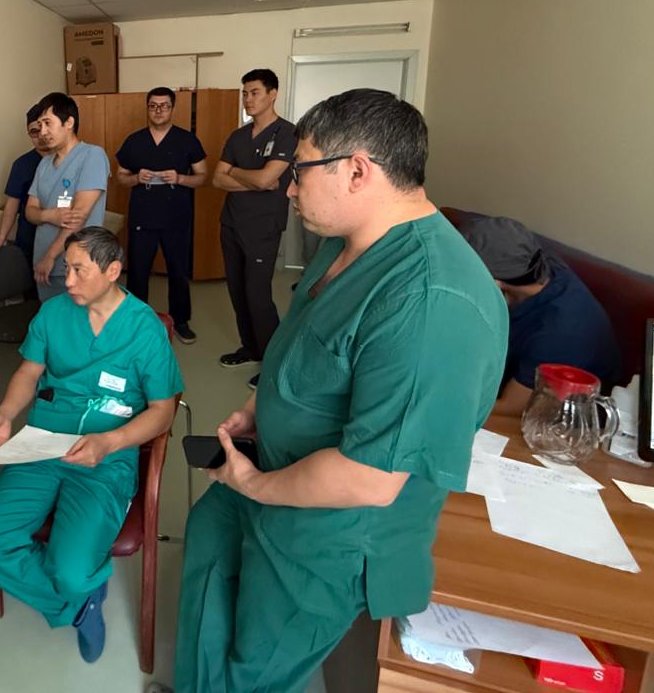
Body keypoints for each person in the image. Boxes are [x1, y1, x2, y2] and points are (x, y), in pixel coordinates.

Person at [172, 89, 507, 693]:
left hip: (327, 532)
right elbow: (308, 344)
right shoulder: (343, 243)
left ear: (357, 171)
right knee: (209, 549)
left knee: (259, 658)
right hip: (267, 466)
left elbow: (369, 479)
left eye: (300, 170)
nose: (288, 187)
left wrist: (256, 485)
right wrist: (259, 406)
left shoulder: (430, 301)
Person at [0, 227, 182, 663]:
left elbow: (163, 410)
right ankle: (79, 606)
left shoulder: (144, 329)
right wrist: (6, 414)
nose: (66, 281)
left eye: (79, 271)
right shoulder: (53, 315)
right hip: (43, 443)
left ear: (112, 271)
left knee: (70, 568)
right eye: (66, 269)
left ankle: (76, 587)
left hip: (106, 456)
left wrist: (111, 441)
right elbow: (29, 372)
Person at [460, 215, 620, 413]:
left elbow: (510, 408)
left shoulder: (561, 332)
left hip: (551, 414)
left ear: (495, 283)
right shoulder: (536, 264)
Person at [212, 69, 297, 382]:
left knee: (257, 295)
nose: (248, 99)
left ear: (272, 94)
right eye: (245, 93)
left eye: (254, 92)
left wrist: (237, 172)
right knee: (237, 291)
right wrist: (255, 179)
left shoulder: (287, 133)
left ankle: (273, 362)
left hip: (263, 227)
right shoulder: (238, 136)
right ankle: (251, 348)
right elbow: (217, 178)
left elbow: (266, 179)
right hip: (232, 223)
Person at [114, 87, 208, 345]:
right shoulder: (134, 141)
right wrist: (135, 178)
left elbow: (202, 177)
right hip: (142, 217)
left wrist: (179, 178)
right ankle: (135, 321)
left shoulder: (187, 140)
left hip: (176, 217)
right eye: (153, 105)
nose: (158, 110)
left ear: (172, 108)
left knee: (178, 271)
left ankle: (181, 320)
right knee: (137, 272)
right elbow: (120, 177)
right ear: (147, 108)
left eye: (164, 105)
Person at [25, 91, 110, 301]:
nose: (42, 132)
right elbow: (29, 211)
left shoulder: (92, 155)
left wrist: (50, 256)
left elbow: (78, 216)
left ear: (69, 122)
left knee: (77, 319)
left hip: (77, 266)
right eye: (40, 125)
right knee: (51, 318)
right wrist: (49, 215)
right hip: (44, 267)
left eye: (48, 123)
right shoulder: (44, 163)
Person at [0, 103, 49, 263]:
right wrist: (1, 237)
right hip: (29, 238)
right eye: (34, 132)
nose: (40, 136)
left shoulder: (66, 161)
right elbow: (12, 202)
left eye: (44, 128)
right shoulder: (22, 165)